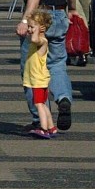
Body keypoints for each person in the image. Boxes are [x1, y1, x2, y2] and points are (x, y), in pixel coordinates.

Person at [8, 0, 74, 133]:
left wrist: (26, 20)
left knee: (31, 68)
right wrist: (72, 8)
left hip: (40, 18)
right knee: (56, 63)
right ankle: (63, 98)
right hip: (59, 14)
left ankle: (39, 119)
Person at [22, 10, 57, 138]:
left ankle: (43, 128)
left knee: (38, 104)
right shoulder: (37, 40)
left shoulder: (42, 41)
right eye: (29, 27)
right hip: (40, 78)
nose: (30, 30)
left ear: (42, 28)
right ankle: (51, 126)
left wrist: (36, 31)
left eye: (32, 27)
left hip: (38, 79)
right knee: (43, 103)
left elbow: (35, 39)